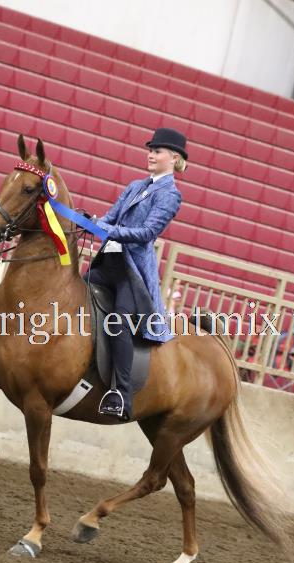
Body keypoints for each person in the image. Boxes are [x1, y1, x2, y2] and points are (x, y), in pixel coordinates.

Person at [86, 127, 186, 421]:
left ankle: (121, 393)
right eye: (150, 150)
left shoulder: (170, 194)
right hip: (108, 262)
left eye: (157, 151)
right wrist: (90, 222)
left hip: (131, 272)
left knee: (118, 321)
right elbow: (109, 219)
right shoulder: (134, 186)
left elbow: (146, 234)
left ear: (174, 158)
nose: (151, 155)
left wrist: (107, 228)